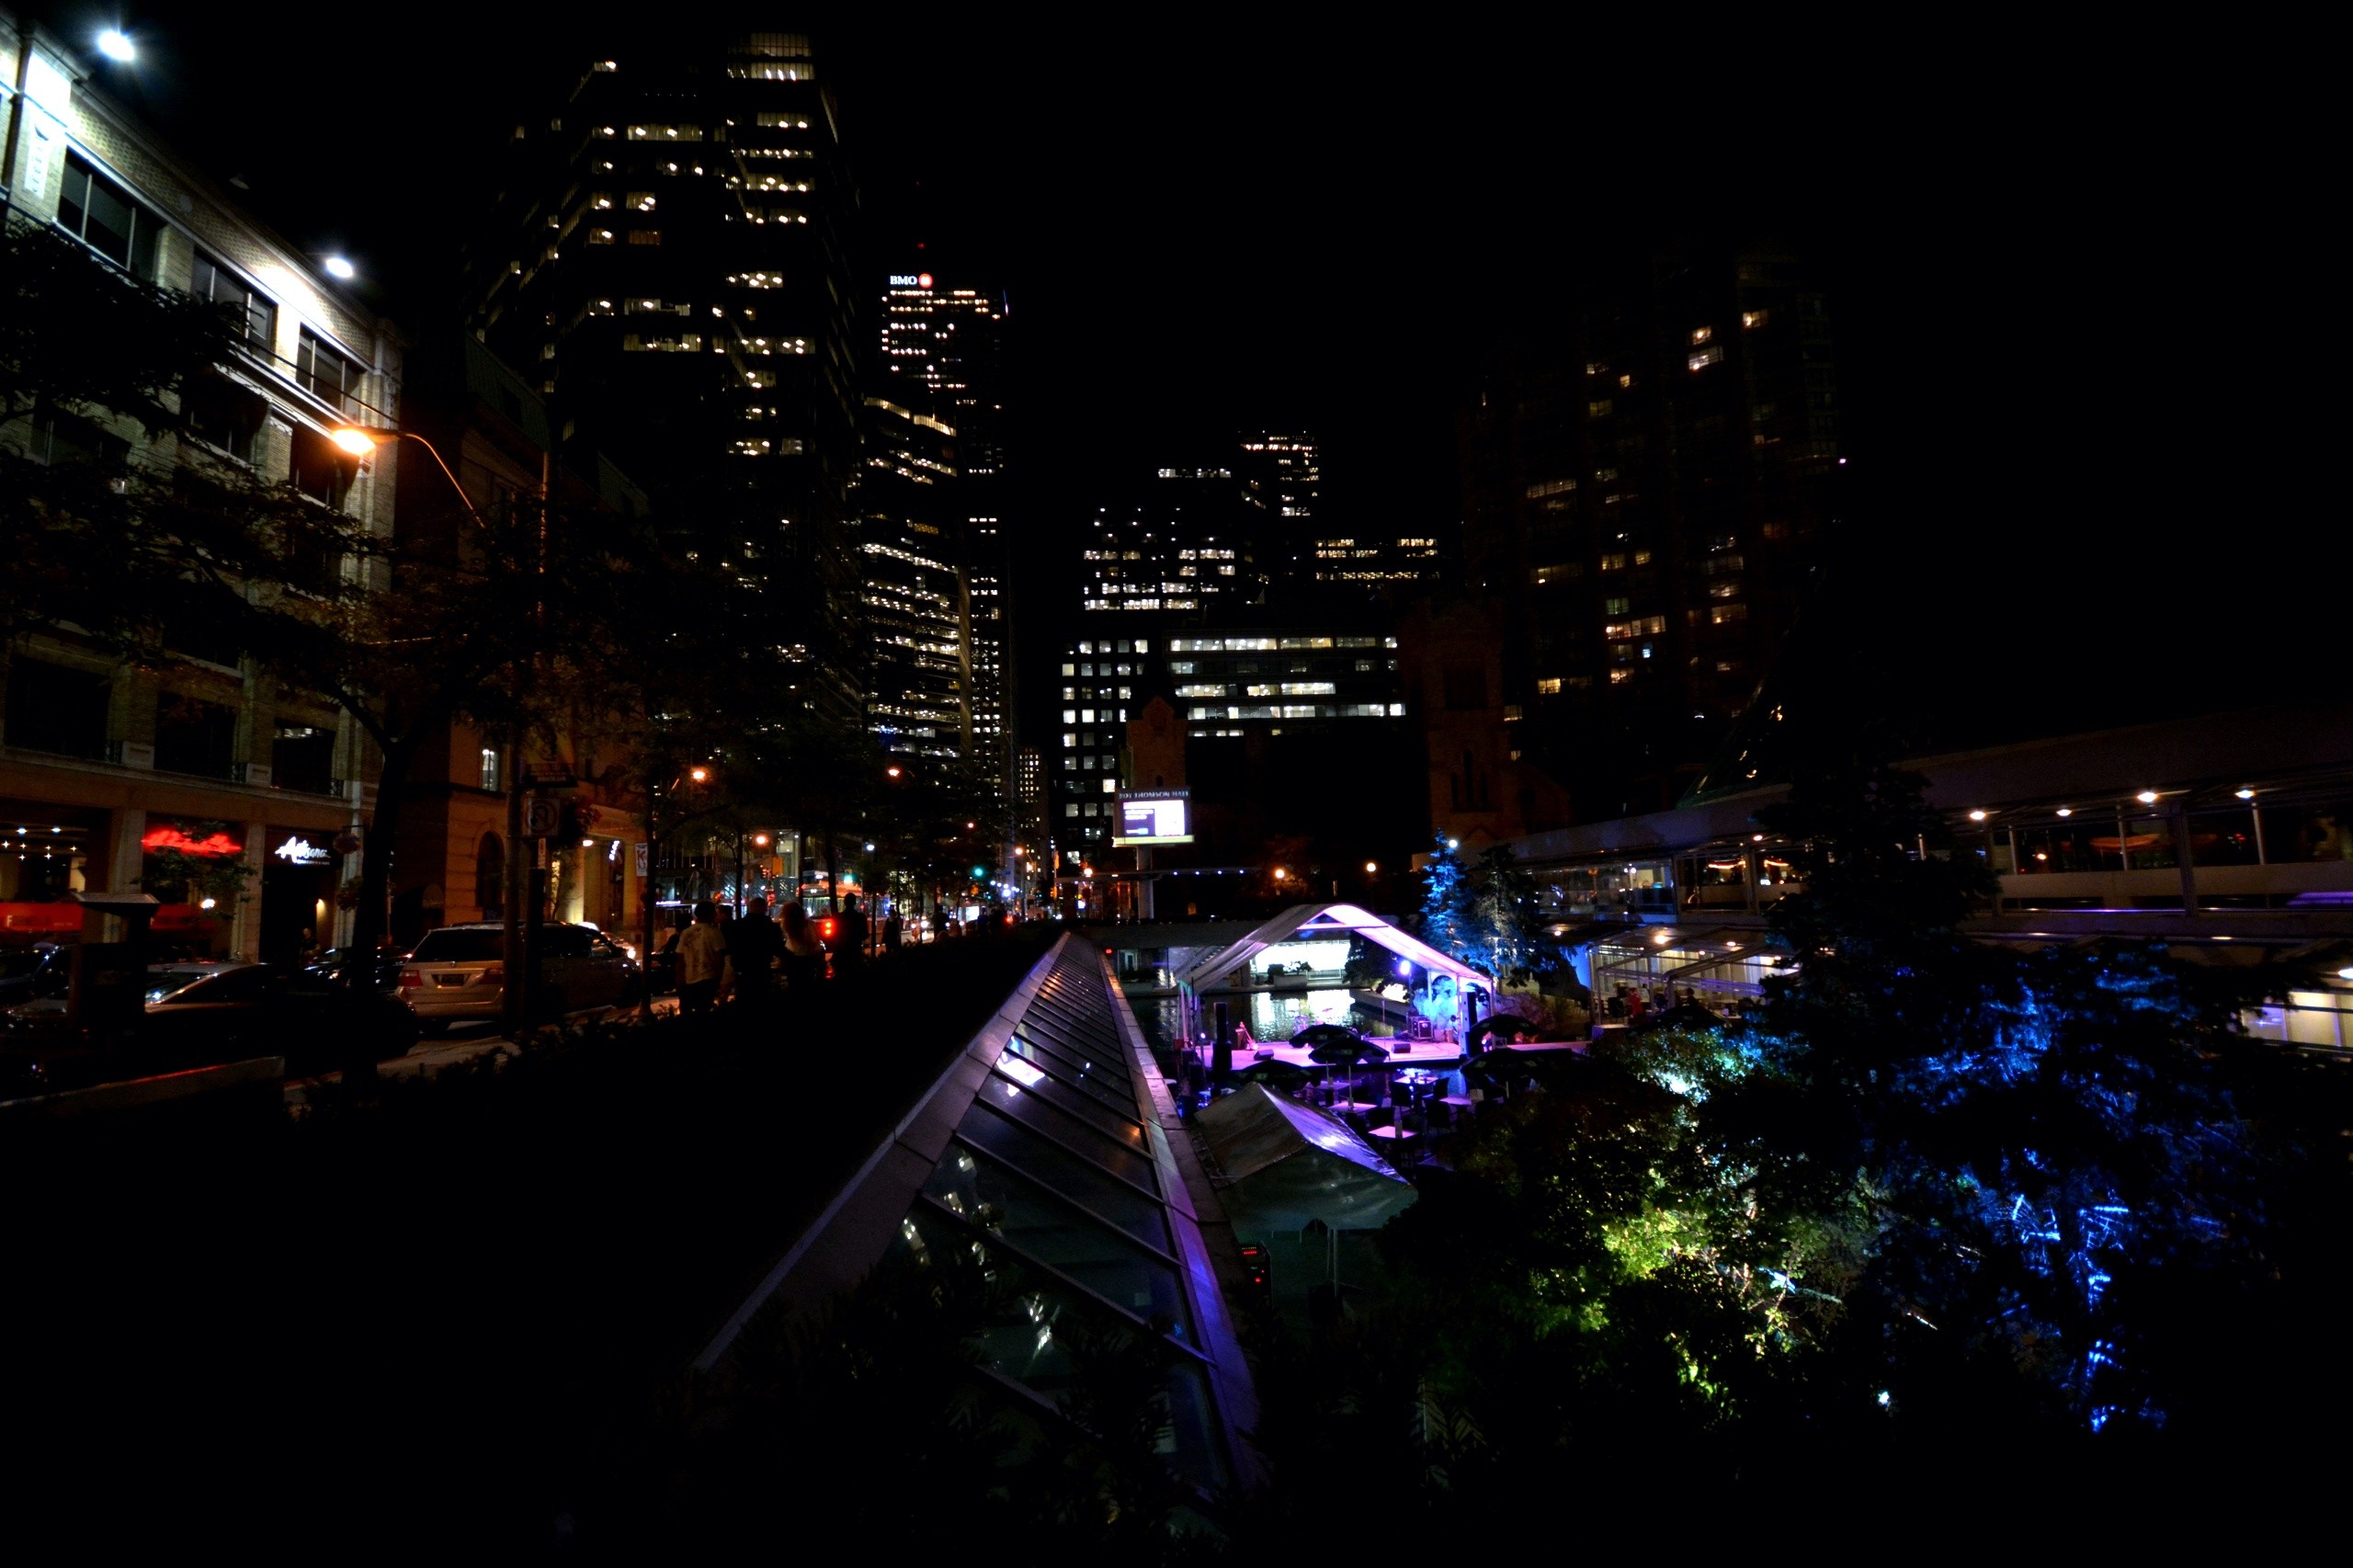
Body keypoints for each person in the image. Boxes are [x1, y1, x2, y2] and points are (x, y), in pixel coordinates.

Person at [730, 895, 784, 1006]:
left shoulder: (738, 925)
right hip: (762, 966)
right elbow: (777, 947)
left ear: (750, 908)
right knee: (761, 996)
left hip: (743, 967)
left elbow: (732, 947)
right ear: (764, 908)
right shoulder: (770, 926)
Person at [675, 902, 726, 1015]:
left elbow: (680, 957)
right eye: (714, 912)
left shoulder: (686, 932)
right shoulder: (714, 933)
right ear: (709, 914)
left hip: (689, 978)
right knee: (704, 1010)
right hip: (708, 977)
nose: (715, 915)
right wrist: (719, 978)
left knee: (687, 1012)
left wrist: (680, 977)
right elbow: (720, 958)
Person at [779, 900, 824, 990]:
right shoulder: (810, 924)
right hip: (808, 958)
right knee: (807, 982)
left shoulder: (785, 925)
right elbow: (816, 940)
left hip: (792, 958)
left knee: (794, 983)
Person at [834, 893, 870, 979]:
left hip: (841, 953)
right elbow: (865, 935)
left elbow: (834, 935)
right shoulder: (861, 917)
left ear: (844, 903)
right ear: (855, 903)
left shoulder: (838, 917)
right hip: (855, 952)